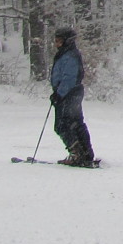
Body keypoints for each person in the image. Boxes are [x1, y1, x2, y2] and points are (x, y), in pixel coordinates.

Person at [49, 26, 98, 167]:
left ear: (67, 41)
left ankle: (77, 154)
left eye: (59, 41)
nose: (57, 44)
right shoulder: (67, 53)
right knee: (76, 123)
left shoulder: (69, 55)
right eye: (56, 41)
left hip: (69, 94)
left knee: (62, 125)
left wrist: (59, 94)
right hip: (72, 94)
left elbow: (69, 78)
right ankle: (86, 154)